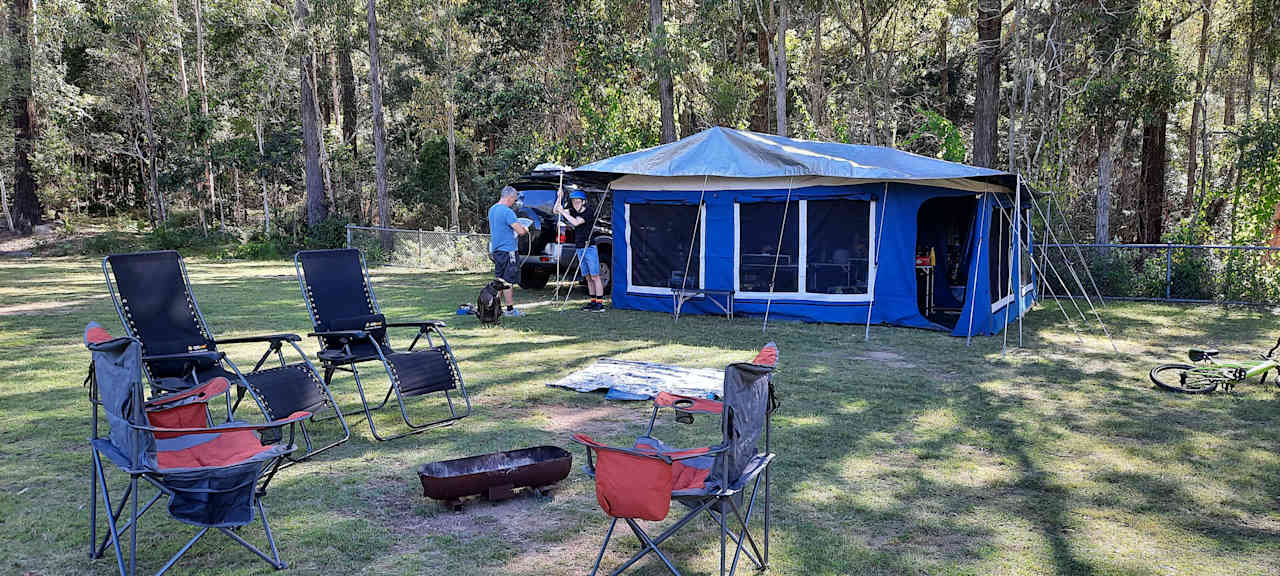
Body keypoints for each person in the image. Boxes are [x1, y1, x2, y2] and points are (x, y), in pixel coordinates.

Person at [556, 189, 605, 311]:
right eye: (573, 202)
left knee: (595, 276)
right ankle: (593, 301)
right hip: (579, 247)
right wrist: (559, 197)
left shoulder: (588, 212)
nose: (575, 204)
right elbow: (555, 210)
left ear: (583, 202)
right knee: (587, 277)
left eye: (577, 202)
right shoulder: (572, 210)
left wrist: (564, 212)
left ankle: (600, 303)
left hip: (589, 248)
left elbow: (576, 222)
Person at [488, 186, 529, 317]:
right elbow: (520, 231)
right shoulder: (507, 212)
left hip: (497, 250)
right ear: (509, 197)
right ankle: (510, 310)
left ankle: (494, 307)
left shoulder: (492, 209)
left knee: (499, 280)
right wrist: (525, 229)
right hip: (508, 251)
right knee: (508, 281)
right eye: (514, 200)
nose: (514, 202)